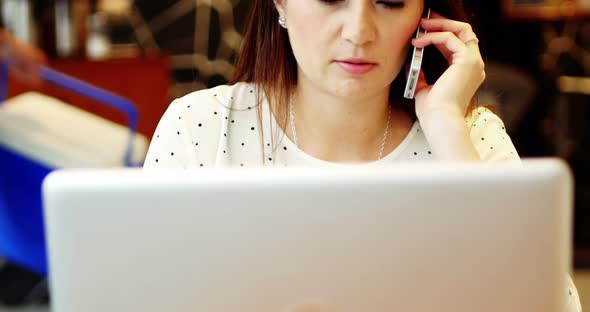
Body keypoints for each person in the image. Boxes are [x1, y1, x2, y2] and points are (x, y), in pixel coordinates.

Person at [144, 0, 582, 310]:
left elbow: (552, 305)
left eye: (390, 2)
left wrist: (448, 127)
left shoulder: (469, 138)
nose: (358, 31)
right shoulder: (200, 128)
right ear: (280, 4)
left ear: (426, 19)